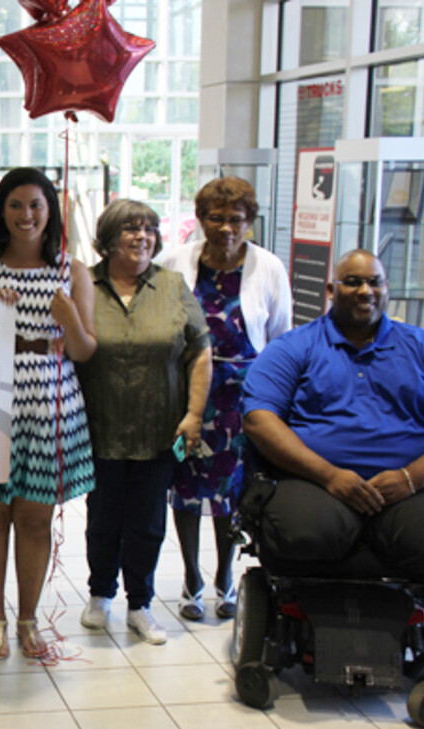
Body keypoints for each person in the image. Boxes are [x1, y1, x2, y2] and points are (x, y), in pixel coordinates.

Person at [0, 168, 97, 659]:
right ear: (1, 211)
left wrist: (70, 321)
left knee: (35, 519)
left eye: (36, 204)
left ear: (50, 210)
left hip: (50, 406)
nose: (26, 215)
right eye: (15, 205)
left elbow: (85, 351)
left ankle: (29, 619)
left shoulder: (72, 272)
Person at [75, 199, 211, 645]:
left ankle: (140, 604)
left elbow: (200, 352)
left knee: (148, 522)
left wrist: (193, 414)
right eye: (131, 229)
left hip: (158, 429)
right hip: (99, 426)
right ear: (108, 239)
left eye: (149, 228)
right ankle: (100, 593)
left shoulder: (171, 285)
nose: (143, 237)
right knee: (103, 518)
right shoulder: (84, 283)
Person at [242, 249, 424, 575]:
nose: (365, 291)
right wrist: (330, 476)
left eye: (375, 282)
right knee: (303, 533)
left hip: (409, 489)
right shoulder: (293, 347)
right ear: (331, 290)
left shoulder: (421, 346)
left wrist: (410, 478)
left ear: (386, 289)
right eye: (353, 282)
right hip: (315, 483)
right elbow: (259, 420)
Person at [159, 177, 292, 620]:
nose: (226, 228)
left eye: (236, 219)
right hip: (188, 394)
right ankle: (191, 578)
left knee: (231, 493)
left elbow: (281, 337)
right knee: (185, 488)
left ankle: (226, 577)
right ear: (201, 219)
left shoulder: (268, 266)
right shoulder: (175, 260)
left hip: (241, 398)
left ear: (249, 221)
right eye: (216, 218)